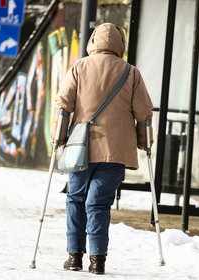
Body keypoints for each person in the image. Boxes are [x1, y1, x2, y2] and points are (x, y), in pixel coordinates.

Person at [53, 23, 153, 275]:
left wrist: (59, 138)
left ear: (93, 41)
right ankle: (98, 260)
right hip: (116, 151)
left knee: (76, 198)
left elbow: (63, 105)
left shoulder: (79, 67)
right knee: (99, 204)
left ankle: (74, 255)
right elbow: (144, 113)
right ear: (121, 44)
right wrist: (144, 142)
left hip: (81, 148)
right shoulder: (131, 73)